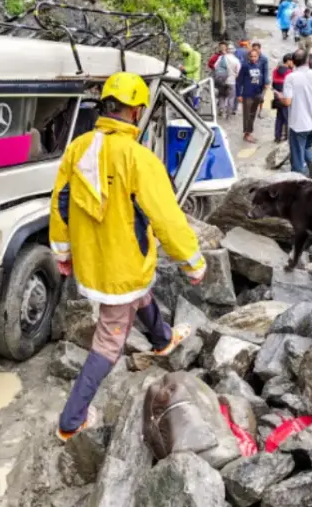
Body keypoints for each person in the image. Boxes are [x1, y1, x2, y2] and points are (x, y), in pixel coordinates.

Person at [51, 72, 204, 441]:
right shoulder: (138, 158)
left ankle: (162, 339)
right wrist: (193, 262)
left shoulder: (78, 148)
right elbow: (166, 217)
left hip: (93, 261)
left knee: (141, 292)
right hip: (124, 266)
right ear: (136, 111)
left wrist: (63, 252)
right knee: (109, 341)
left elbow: (60, 205)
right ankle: (71, 421)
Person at [278, 51, 312, 175]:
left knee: (297, 157)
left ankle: (299, 180)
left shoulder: (290, 77)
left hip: (298, 124)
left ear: (293, 62)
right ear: (307, 60)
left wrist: (280, 97)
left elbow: (287, 102)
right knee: (307, 148)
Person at [237, 43, 269, 143]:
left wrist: (264, 85)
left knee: (253, 114)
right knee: (247, 114)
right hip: (247, 94)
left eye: (255, 56)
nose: (253, 58)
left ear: (258, 56)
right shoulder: (245, 66)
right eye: (251, 56)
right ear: (248, 57)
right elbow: (239, 81)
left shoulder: (259, 65)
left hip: (257, 93)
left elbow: (262, 76)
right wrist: (239, 94)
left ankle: (249, 132)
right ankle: (247, 134)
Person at [271, 52, 296, 143]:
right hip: (286, 97)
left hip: (277, 97)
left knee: (279, 117)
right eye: (292, 61)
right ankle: (288, 138)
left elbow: (273, 85)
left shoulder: (275, 70)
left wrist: (277, 94)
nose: (293, 63)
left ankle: (277, 137)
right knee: (287, 118)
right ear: (288, 61)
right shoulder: (289, 72)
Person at [213, 44, 241, 119]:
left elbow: (215, 66)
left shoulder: (221, 57)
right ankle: (228, 113)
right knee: (231, 97)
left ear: (227, 50)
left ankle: (221, 109)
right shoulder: (236, 60)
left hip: (222, 80)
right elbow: (238, 72)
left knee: (222, 95)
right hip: (231, 81)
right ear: (234, 51)